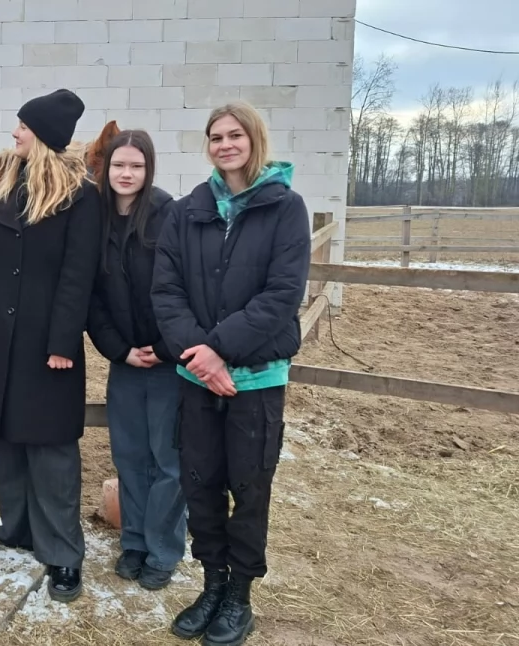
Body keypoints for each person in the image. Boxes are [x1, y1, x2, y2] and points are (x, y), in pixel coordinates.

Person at [151, 101, 311, 645]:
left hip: (256, 379)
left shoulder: (285, 208)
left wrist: (218, 350)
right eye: (216, 137)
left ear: (253, 139)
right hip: (197, 378)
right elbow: (166, 291)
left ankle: (239, 594)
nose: (225, 145)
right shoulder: (188, 211)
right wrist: (200, 357)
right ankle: (212, 584)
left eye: (235, 135)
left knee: (248, 485)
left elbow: (282, 293)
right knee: (201, 483)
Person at [0, 89, 100, 604]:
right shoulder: (11, 187)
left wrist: (63, 342)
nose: (14, 134)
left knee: (51, 450)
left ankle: (64, 553)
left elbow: (78, 277)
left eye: (24, 127)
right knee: (7, 438)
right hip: (0, 339)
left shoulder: (81, 197)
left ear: (45, 136)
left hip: (46, 343)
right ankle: (19, 528)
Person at [86, 129, 187, 591]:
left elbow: (184, 288)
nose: (126, 174)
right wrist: (119, 349)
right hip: (124, 360)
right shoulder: (96, 219)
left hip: (168, 361)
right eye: (119, 165)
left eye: (136, 166)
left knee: (167, 460)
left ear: (149, 170)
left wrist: (164, 347)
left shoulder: (169, 216)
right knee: (128, 456)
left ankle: (163, 548)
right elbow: (91, 297)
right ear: (106, 169)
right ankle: (134, 543)